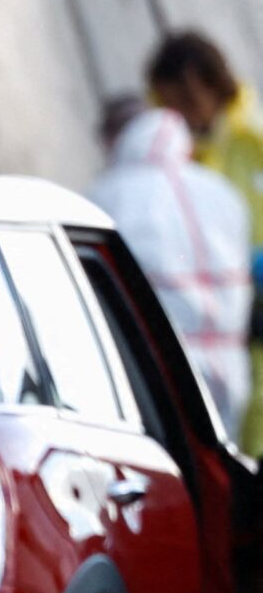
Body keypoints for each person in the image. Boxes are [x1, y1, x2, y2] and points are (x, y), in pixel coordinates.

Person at [90, 100, 252, 435]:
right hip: (232, 369)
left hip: (155, 369)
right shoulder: (222, 191)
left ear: (116, 138)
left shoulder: (108, 195)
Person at [147, 32, 263, 445]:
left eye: (185, 99)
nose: (179, 113)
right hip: (213, 316)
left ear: (211, 85)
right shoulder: (170, 152)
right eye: (168, 103)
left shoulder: (253, 142)